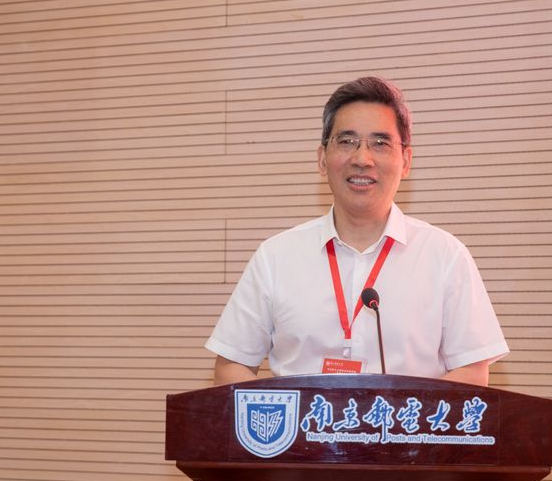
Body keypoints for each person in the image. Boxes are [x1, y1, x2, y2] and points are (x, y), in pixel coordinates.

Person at [206, 77, 508, 386]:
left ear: (406, 161)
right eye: (347, 141)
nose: (362, 159)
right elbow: (230, 366)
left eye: (380, 143)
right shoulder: (275, 257)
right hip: (306, 421)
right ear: (322, 159)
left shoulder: (445, 256)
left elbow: (472, 372)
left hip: (403, 421)